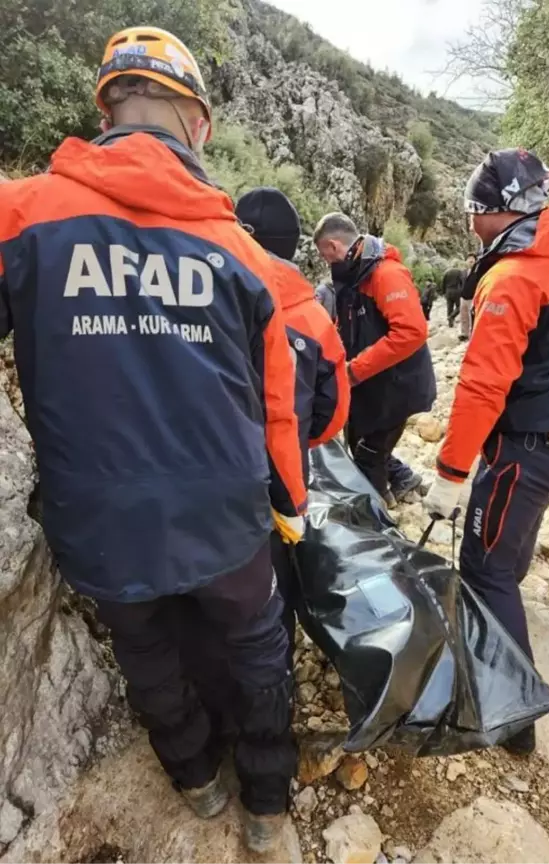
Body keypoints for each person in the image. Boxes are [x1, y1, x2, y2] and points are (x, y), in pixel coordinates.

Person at [0, 27, 308, 855]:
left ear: (108, 108)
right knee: (255, 642)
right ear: (198, 123)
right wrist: (292, 505)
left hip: (97, 511)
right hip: (221, 510)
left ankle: (197, 778)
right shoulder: (238, 250)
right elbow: (277, 404)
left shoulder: (22, 214)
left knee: (144, 644)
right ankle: (268, 801)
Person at [424, 148, 549, 755]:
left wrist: (452, 472)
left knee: (482, 565)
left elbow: (482, 384)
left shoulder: (510, 279)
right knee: (514, 530)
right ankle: (508, 589)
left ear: (493, 210)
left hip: (528, 441)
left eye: (472, 209)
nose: (469, 220)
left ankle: (514, 716)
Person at [235, 186, 350, 655]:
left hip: (215, 468)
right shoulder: (313, 317)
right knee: (276, 581)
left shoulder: (211, 297)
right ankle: (276, 672)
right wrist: (301, 436)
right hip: (285, 473)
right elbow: (335, 409)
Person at [313, 212, 436, 502]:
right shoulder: (355, 278)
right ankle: (403, 480)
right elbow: (346, 328)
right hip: (376, 382)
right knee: (358, 437)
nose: (326, 262)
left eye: (324, 256)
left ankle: (379, 523)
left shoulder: (385, 274)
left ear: (333, 246)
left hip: (397, 385)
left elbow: (410, 332)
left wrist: (354, 371)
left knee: (370, 452)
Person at [458, 253, 478, 341]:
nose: (471, 260)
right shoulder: (463, 272)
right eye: (469, 258)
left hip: (473, 298)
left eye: (472, 259)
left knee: (472, 316)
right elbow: (459, 283)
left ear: (475, 261)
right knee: (463, 316)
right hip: (463, 297)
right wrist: (460, 292)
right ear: (466, 261)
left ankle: (472, 334)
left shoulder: (477, 272)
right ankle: (464, 333)